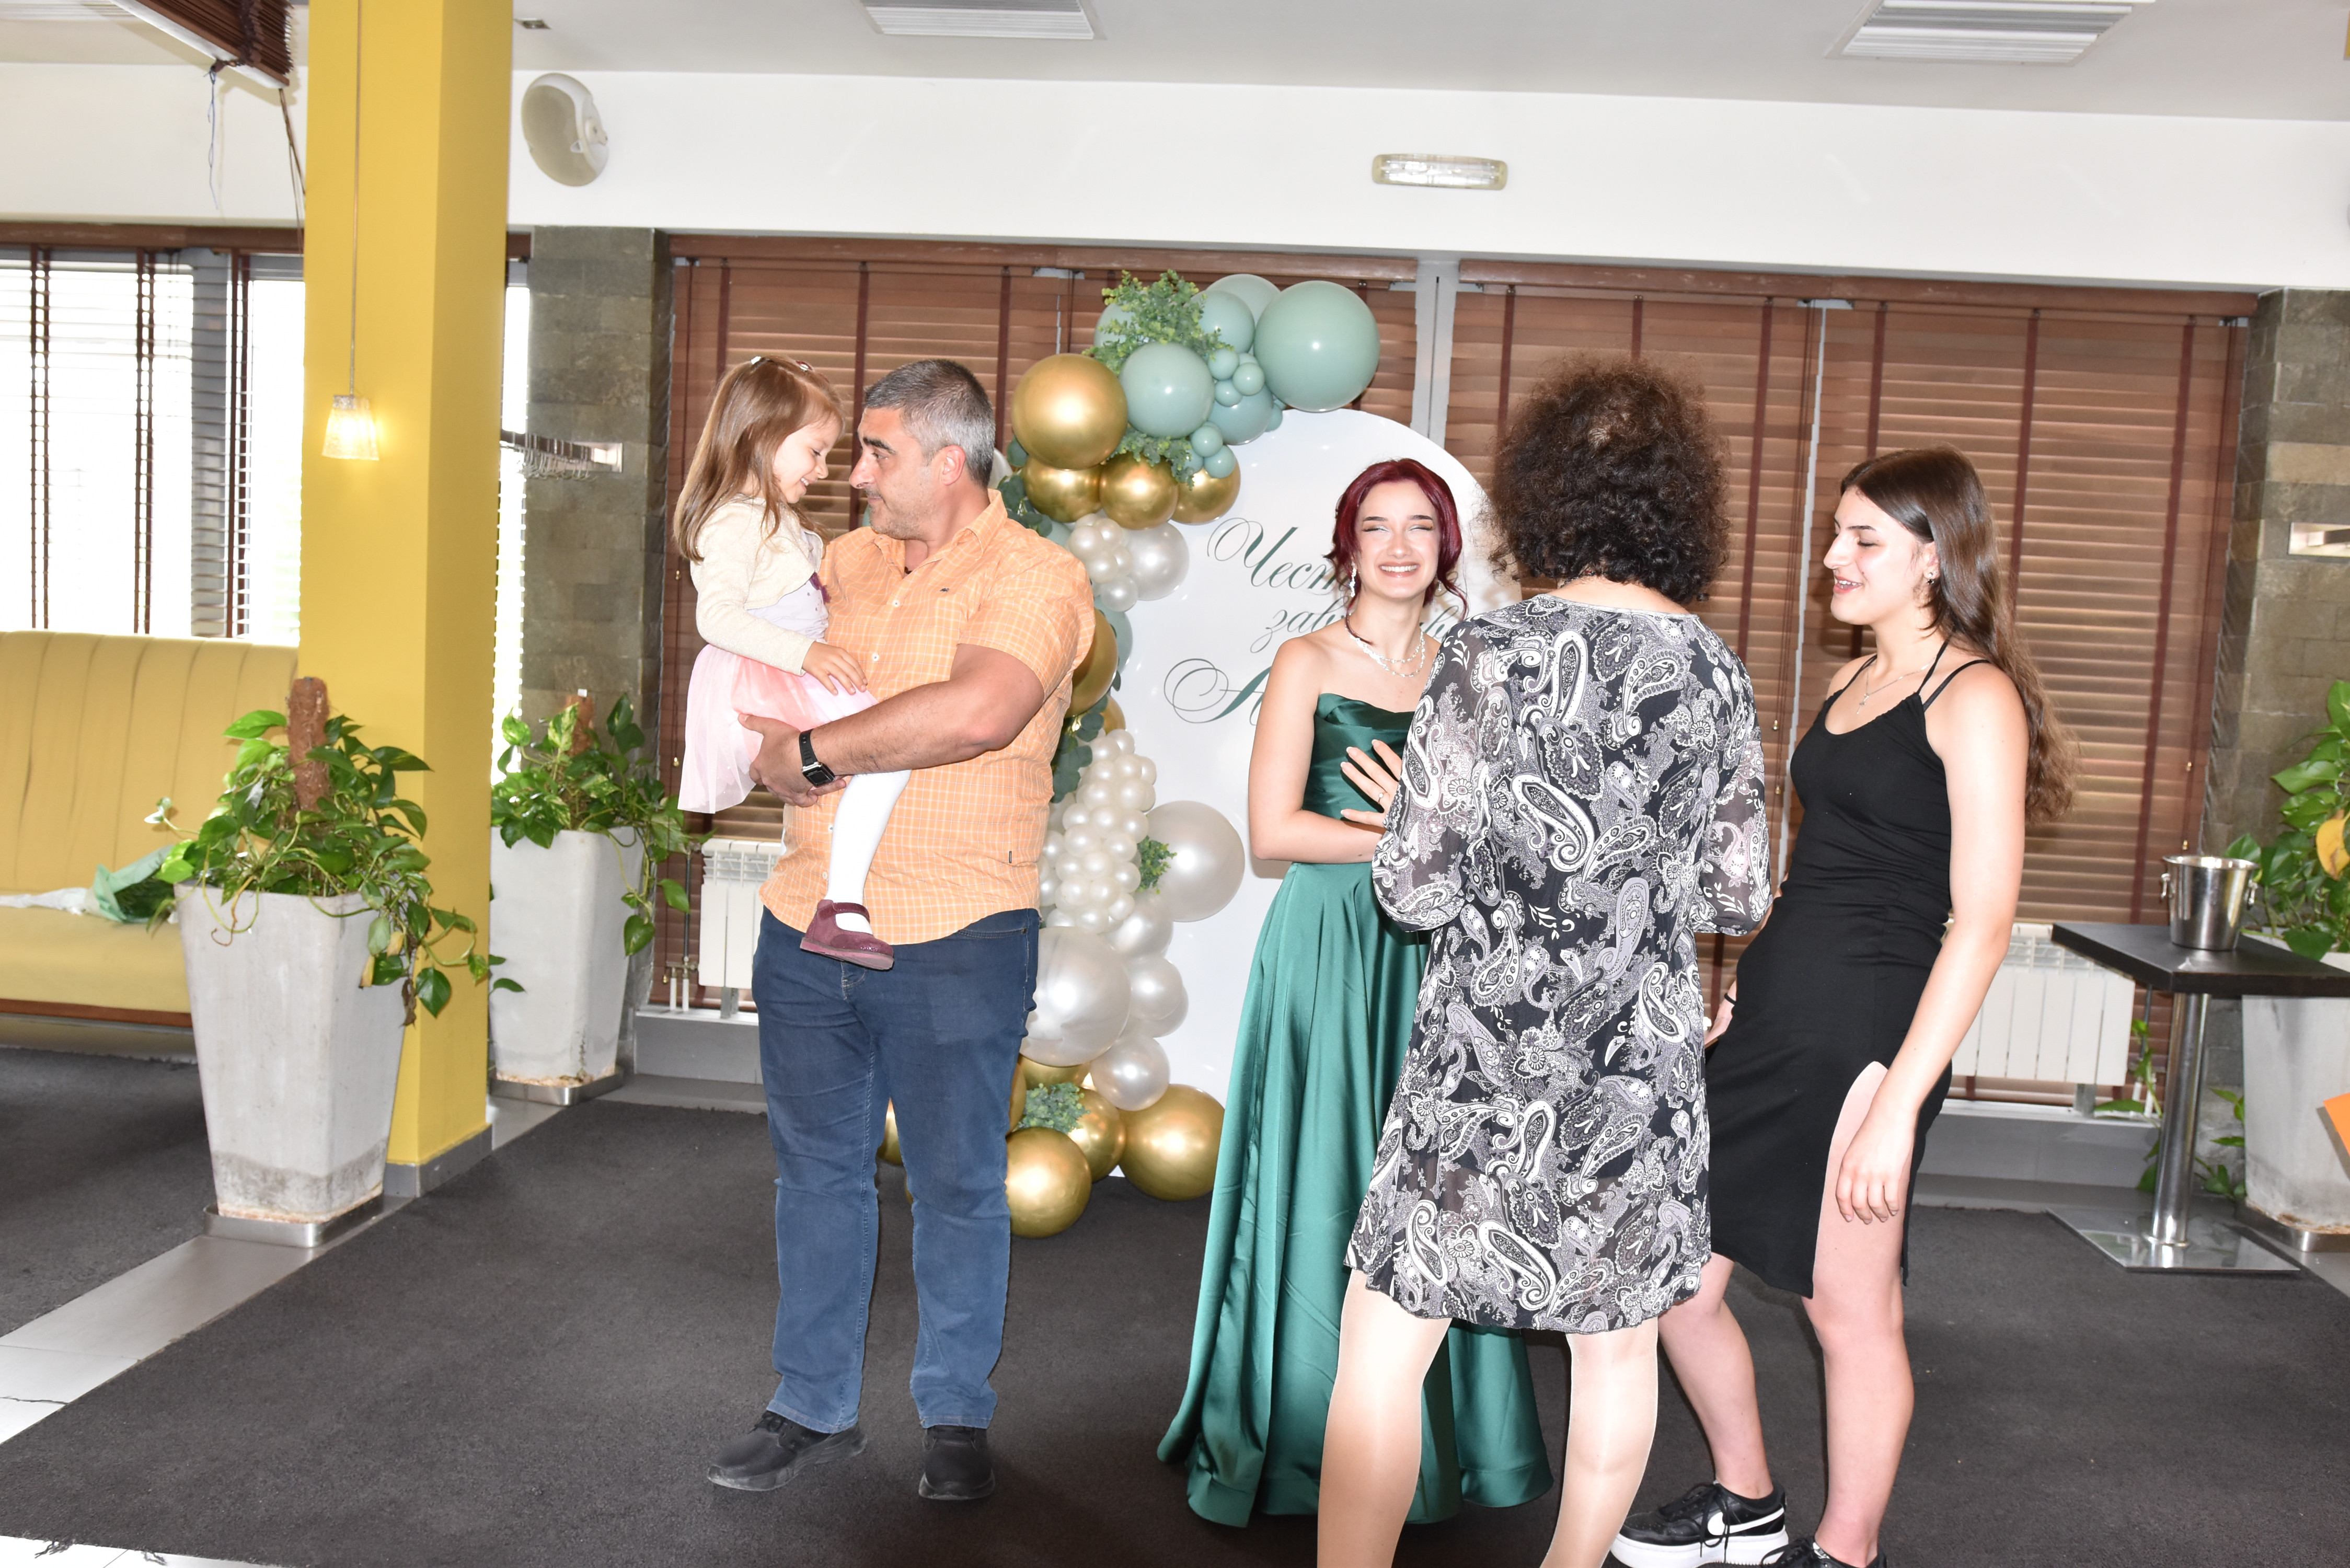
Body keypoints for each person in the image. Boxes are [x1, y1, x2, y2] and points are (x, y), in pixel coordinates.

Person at [1321, 359, 1772, 1568]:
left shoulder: (1487, 653)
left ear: (1540, 495)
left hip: (1482, 1051)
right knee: (1615, 1344)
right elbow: (1737, 892)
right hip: (1636, 1060)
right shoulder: (1712, 669)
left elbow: (1410, 888)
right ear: (1681, 504)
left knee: (1387, 1334)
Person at [1612, 446, 2075, 1568]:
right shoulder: (1852, 678)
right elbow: (1815, 873)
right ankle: (1745, 1499)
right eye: (1836, 533)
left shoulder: (1974, 697)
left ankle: (1846, 1551)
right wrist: (1744, 987)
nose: (1833, 556)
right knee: (1674, 1278)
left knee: (1847, 1313)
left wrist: (1895, 1108)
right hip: (1779, 1011)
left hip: (1866, 1034)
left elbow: (1981, 922)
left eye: (1863, 538)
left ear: (1934, 556)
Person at [702, 359, 1095, 1504]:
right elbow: (740, 649)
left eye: (876, 452)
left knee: (957, 1186)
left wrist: (814, 752)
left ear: (948, 459)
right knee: (815, 1180)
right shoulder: (843, 565)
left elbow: (979, 712)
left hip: (955, 934)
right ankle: (811, 1406)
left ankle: (955, 1413)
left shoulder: (1037, 575)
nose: (856, 475)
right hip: (803, 922)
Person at [1159, 458, 1553, 1526]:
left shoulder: (1473, 668)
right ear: (1347, 546)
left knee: (1442, 1191)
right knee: (1326, 1165)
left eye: (1419, 526)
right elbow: (1273, 832)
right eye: (1376, 526)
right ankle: (1300, 1429)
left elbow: (1504, 831)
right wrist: (1412, 831)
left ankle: (1445, 1437)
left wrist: (1439, 833)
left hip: (1442, 953)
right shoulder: (1307, 660)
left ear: (1446, 547)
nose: (1397, 546)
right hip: (1333, 939)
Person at [673, 355, 910, 969]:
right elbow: (716, 618)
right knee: (888, 756)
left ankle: (842, 900)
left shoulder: (772, 519)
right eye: (814, 451)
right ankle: (841, 904)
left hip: (784, 672)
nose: (824, 470)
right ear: (762, 437)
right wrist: (807, 653)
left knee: (876, 765)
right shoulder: (734, 521)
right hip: (769, 674)